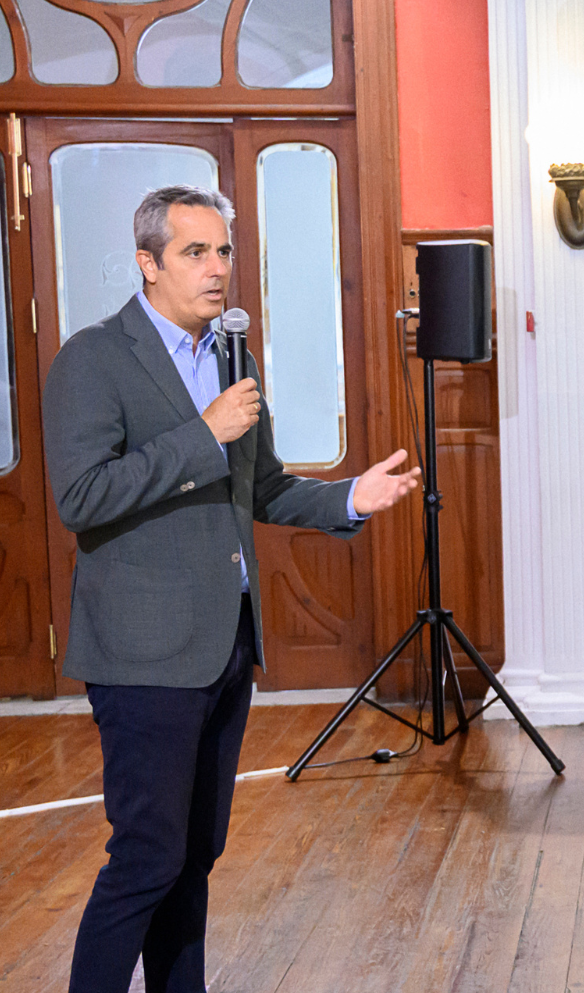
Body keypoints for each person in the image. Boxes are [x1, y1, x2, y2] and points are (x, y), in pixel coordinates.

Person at [48, 186, 421, 993]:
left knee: (194, 858)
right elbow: (80, 497)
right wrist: (201, 433)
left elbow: (262, 487)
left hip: (223, 646)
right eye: (194, 253)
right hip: (143, 654)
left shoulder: (231, 357)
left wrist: (351, 497)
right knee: (147, 857)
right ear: (147, 263)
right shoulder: (93, 357)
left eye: (223, 251)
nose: (217, 269)